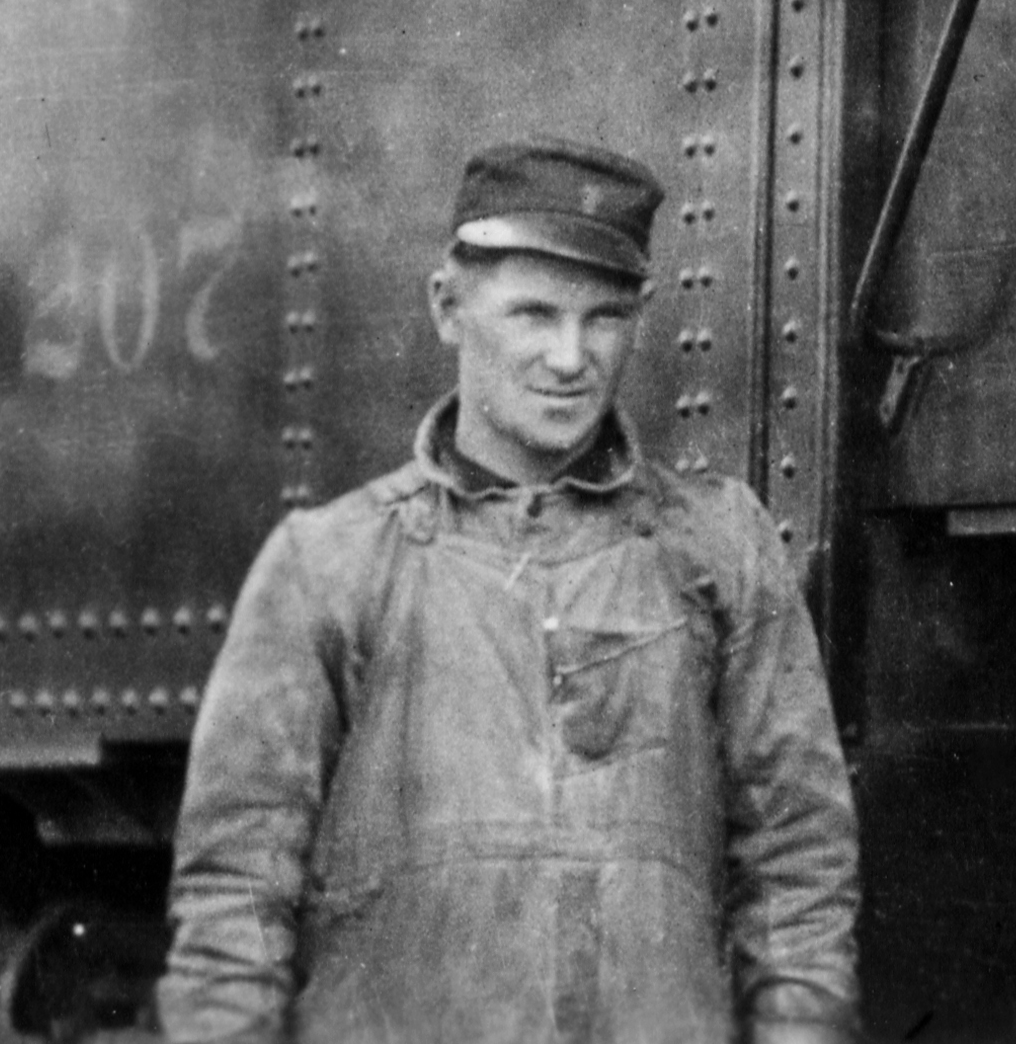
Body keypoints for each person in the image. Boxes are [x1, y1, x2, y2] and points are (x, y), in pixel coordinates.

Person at [157, 142, 858, 1043]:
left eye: (605, 318)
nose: (571, 357)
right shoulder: (328, 565)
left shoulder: (720, 549)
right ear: (448, 306)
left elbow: (799, 875)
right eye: (534, 313)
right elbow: (234, 904)